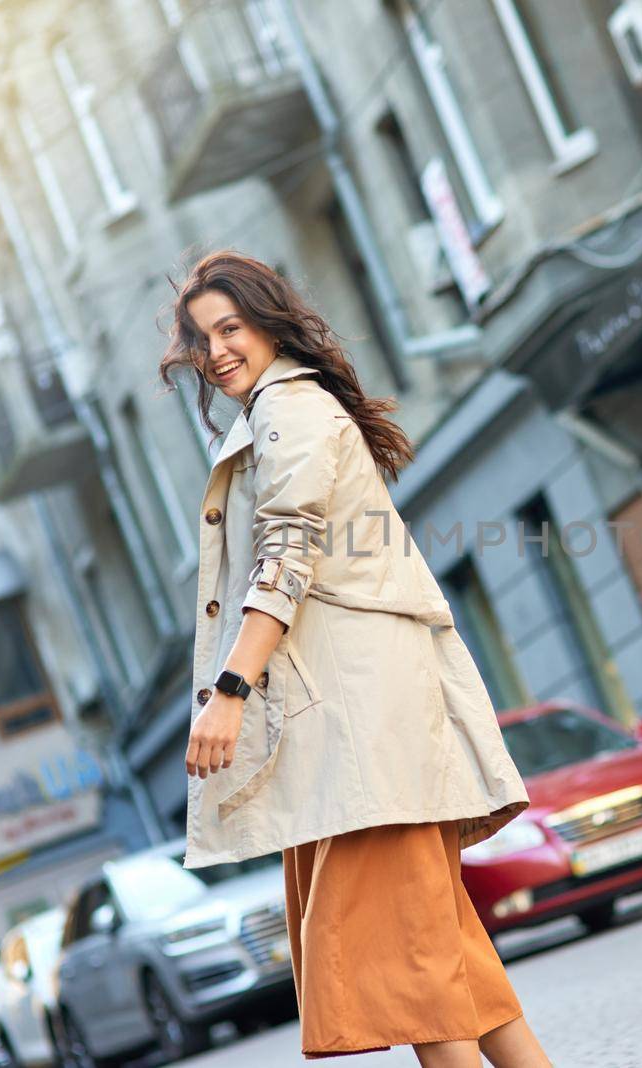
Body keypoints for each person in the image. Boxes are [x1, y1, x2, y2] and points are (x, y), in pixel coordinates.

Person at [157, 250, 554, 1067]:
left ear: (267, 323)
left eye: (230, 328)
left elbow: (287, 557)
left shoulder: (287, 413)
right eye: (202, 339)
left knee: (419, 989)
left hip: (364, 746)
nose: (217, 351)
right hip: (364, 742)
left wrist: (230, 688)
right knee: (454, 978)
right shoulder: (290, 408)